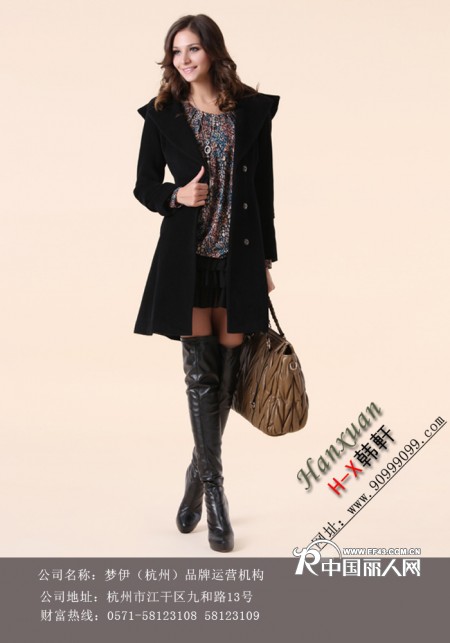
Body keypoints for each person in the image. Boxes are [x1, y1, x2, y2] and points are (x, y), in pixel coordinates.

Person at [133, 14, 280, 553]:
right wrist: (176, 196)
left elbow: (263, 191)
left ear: (213, 51)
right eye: (176, 51)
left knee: (229, 378)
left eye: (193, 49)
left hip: (237, 261)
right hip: (188, 263)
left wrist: (265, 261)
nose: (184, 59)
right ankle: (216, 494)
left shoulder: (251, 111)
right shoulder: (162, 115)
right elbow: (143, 185)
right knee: (201, 378)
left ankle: (196, 475)